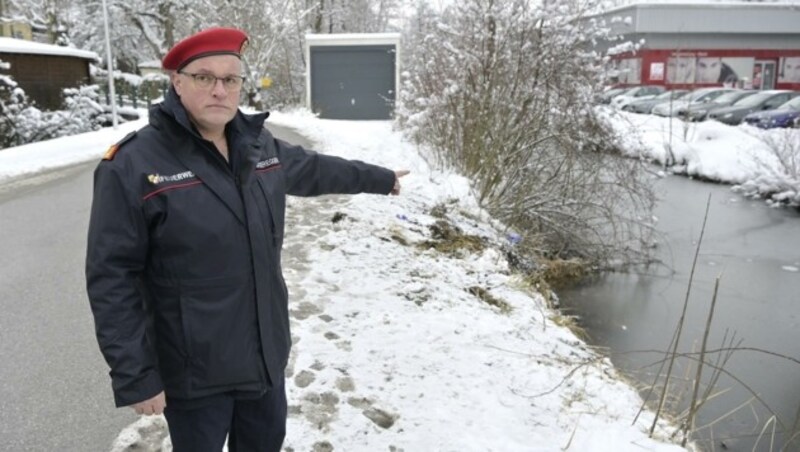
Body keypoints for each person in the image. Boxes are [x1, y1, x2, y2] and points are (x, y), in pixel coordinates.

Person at [85, 27, 408, 451]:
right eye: (204, 77)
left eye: (231, 79)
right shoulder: (132, 165)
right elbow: (113, 277)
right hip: (194, 371)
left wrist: (379, 178)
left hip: (263, 357)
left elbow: (314, 169)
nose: (219, 90)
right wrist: (135, 374)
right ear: (177, 82)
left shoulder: (258, 146)